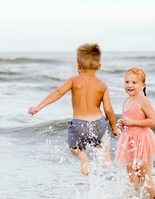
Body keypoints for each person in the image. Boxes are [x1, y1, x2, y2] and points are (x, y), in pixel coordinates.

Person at [28, 43, 120, 175]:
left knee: (74, 148)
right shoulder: (102, 85)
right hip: (98, 123)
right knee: (98, 140)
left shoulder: (73, 80)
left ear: (78, 65)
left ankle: (82, 156)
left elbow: (58, 93)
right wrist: (114, 128)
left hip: (79, 124)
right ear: (99, 66)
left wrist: (38, 107)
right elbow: (109, 109)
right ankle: (104, 151)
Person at [115, 67, 155, 199]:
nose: (130, 85)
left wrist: (133, 122)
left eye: (134, 82)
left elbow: (154, 121)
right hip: (129, 141)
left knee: (145, 176)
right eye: (127, 82)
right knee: (132, 177)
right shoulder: (125, 101)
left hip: (142, 140)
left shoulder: (143, 100)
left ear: (143, 85)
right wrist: (122, 124)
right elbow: (129, 120)